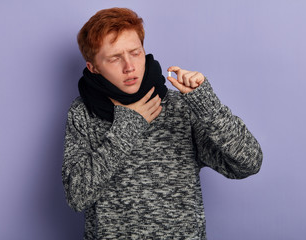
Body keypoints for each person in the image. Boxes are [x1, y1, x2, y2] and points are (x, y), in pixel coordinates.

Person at [62, 7, 263, 240]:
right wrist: (129, 126)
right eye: (115, 58)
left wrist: (208, 106)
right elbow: (76, 197)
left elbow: (249, 163)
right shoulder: (83, 113)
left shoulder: (179, 106)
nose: (129, 67)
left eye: (135, 52)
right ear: (93, 67)